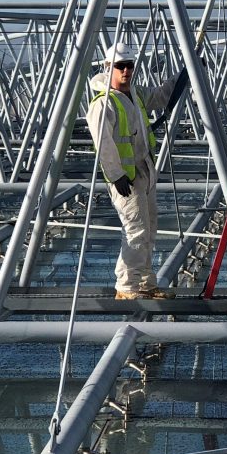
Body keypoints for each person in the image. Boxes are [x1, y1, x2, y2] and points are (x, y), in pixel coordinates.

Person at [87, 42, 188, 300]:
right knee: (135, 230)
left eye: (129, 65)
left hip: (144, 171)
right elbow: (104, 144)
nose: (126, 71)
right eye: (120, 66)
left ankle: (144, 283)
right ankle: (127, 286)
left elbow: (159, 96)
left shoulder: (135, 93)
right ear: (108, 68)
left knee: (149, 228)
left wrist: (183, 74)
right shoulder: (103, 104)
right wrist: (116, 175)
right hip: (125, 178)